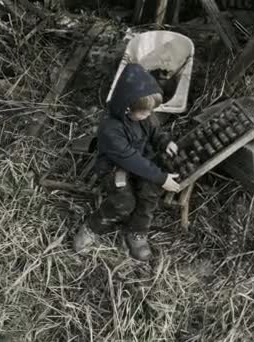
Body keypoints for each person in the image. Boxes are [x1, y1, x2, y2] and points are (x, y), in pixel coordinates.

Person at [74, 63, 180, 261]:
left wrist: (164, 141)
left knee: (150, 192)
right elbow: (130, 159)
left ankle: (137, 232)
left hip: (141, 161)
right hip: (116, 166)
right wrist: (160, 176)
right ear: (127, 107)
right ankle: (93, 226)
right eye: (145, 112)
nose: (149, 115)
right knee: (124, 201)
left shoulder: (145, 115)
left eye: (150, 111)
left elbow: (155, 131)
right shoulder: (111, 129)